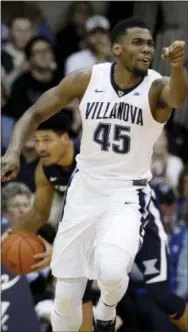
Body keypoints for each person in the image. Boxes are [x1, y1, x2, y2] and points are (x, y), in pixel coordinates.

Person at [1, 17, 187, 332]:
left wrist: (179, 67)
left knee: (112, 271)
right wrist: (14, 150)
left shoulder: (156, 86)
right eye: (137, 43)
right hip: (84, 188)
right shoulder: (87, 79)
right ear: (116, 48)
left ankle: (107, 309)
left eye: (149, 44)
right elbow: (34, 113)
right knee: (65, 300)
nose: (146, 49)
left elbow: (178, 97)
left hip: (127, 192)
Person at [2, 112, 93, 332]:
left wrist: (60, 250)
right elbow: (39, 214)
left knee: (160, 296)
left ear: (65, 139)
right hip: (88, 233)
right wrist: (13, 234)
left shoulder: (91, 161)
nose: (40, 148)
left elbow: (100, 219)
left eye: (47, 140)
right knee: (78, 284)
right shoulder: (44, 168)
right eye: (37, 141)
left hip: (124, 220)